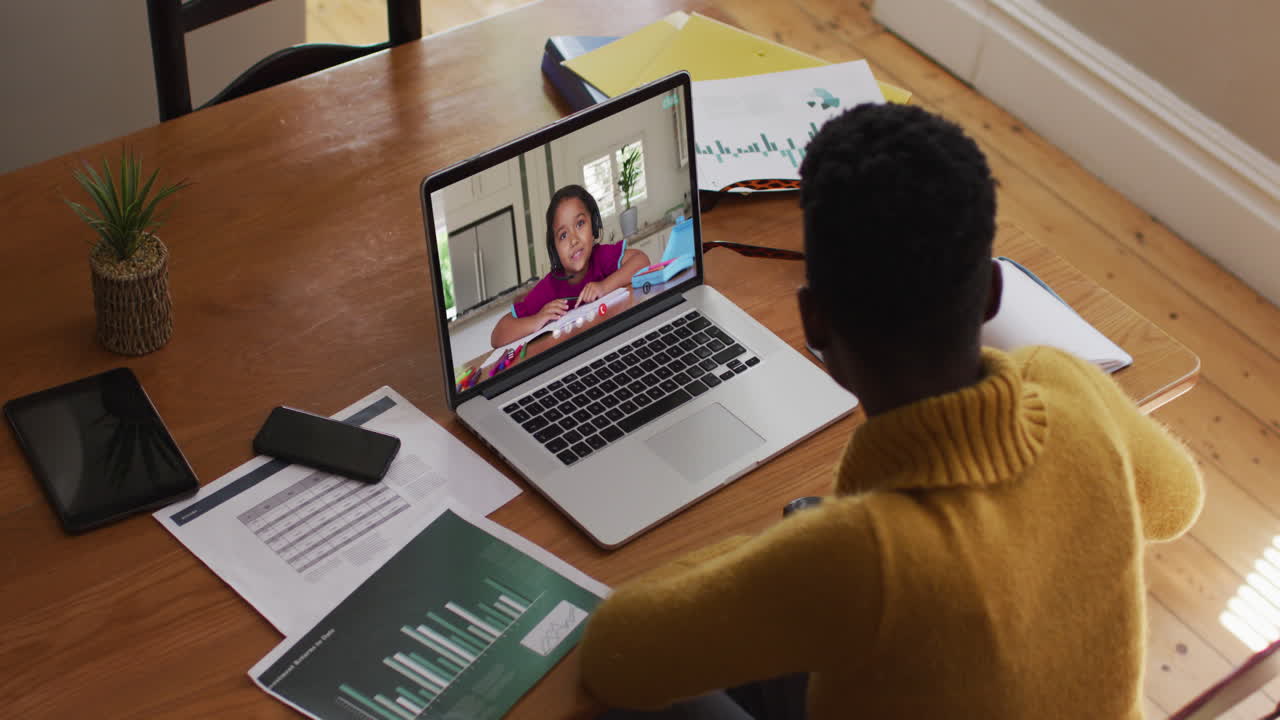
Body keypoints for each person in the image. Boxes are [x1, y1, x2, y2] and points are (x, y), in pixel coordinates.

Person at [577, 103, 1204, 718]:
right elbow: (1178, 502)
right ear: (990, 291)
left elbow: (614, 654)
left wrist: (785, 551)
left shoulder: (856, 557)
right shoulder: (1068, 385)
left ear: (814, 320)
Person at [490, 184, 650, 348]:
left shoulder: (601, 257)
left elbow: (641, 260)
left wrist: (604, 287)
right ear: (555, 248)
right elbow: (498, 335)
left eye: (580, 224)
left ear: (594, 225)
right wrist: (537, 320)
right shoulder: (550, 287)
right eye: (563, 235)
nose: (573, 240)